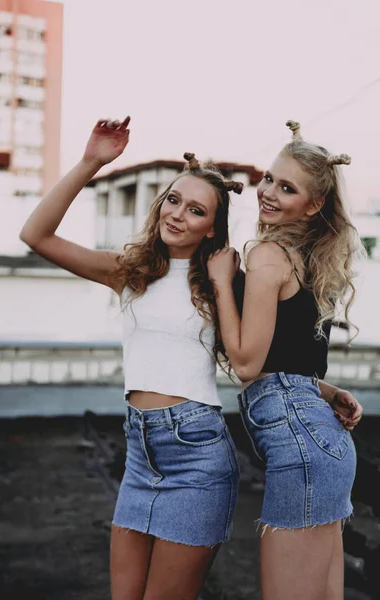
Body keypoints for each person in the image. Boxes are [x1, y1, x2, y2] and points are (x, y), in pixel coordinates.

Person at [19, 117, 242, 600]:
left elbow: (259, 354)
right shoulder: (133, 271)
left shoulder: (222, 283)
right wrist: (91, 162)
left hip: (197, 455)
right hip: (140, 456)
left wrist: (324, 390)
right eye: (173, 199)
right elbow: (36, 235)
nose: (177, 214)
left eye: (196, 210)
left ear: (211, 230)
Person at [207, 120, 364, 600]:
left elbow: (249, 364)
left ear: (314, 204)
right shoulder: (305, 259)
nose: (268, 192)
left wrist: (220, 281)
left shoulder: (269, 255)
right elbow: (290, 364)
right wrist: (327, 391)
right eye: (269, 178)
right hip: (322, 440)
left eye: (287, 187)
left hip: (302, 444)